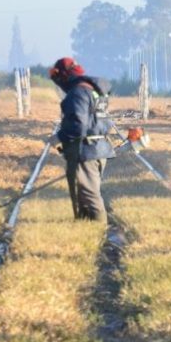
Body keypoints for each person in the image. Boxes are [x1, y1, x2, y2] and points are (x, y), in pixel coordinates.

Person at [48, 57, 116, 220]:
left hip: (85, 150)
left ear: (64, 76)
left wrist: (59, 137)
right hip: (99, 147)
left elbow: (78, 124)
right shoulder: (94, 90)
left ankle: (100, 232)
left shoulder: (77, 93)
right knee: (86, 195)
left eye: (58, 79)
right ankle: (87, 226)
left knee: (90, 196)